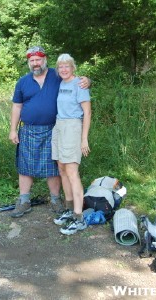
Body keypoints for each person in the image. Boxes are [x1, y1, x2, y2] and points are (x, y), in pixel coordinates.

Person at [9, 46, 90, 218]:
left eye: (38, 59)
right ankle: (24, 201)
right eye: (32, 60)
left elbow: (74, 79)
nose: (35, 63)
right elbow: (17, 106)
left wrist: (87, 80)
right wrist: (13, 129)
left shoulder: (56, 75)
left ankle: (56, 200)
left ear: (44, 60)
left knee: (53, 167)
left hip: (52, 129)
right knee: (25, 166)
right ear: (28, 63)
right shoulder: (23, 81)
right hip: (28, 129)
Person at [52, 54, 91, 235]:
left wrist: (84, 139)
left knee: (72, 171)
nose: (64, 69)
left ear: (73, 67)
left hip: (73, 126)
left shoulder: (79, 84)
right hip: (59, 125)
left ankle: (78, 217)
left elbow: (87, 113)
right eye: (61, 67)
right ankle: (69, 209)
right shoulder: (60, 83)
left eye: (67, 66)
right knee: (61, 167)